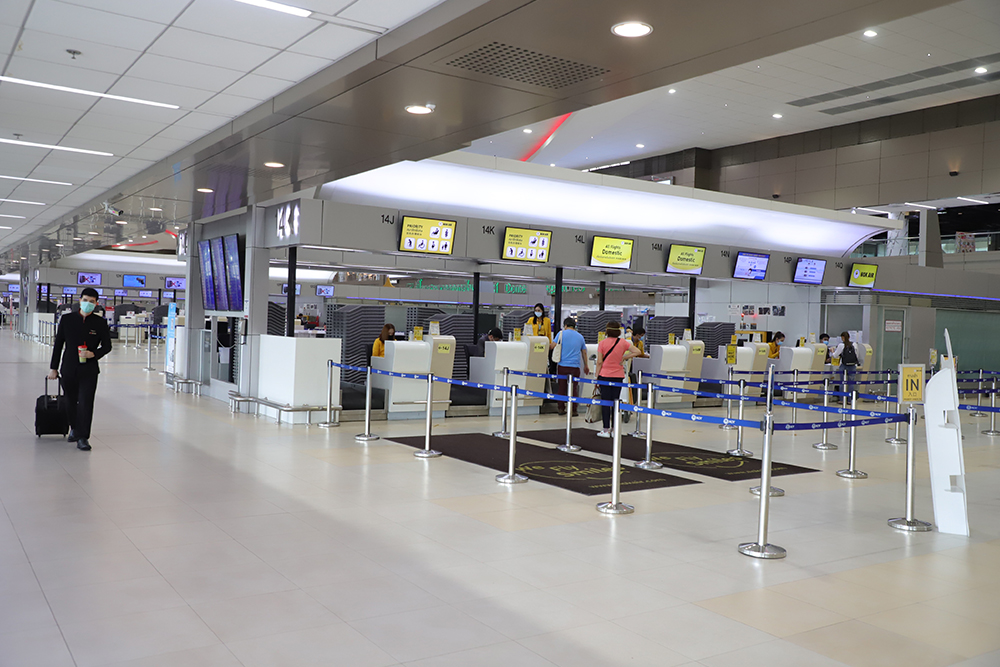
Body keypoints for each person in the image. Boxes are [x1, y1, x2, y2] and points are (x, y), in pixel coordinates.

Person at [47, 288, 112, 451]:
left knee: (86, 402)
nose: (88, 304)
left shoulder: (100, 323)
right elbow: (58, 344)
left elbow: (107, 346)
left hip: (89, 370)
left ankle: (83, 437)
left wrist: (93, 354)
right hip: (69, 367)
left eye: (92, 301)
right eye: (85, 300)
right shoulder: (67, 319)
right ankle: (74, 429)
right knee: (70, 401)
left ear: (97, 304)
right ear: (80, 300)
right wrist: (53, 368)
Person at [594, 322, 641, 438]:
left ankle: (606, 429)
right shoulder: (623, 342)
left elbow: (599, 362)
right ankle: (615, 429)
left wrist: (596, 377)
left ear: (607, 330)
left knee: (605, 403)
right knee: (616, 402)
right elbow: (637, 352)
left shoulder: (602, 343)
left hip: (604, 376)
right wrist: (625, 357)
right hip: (618, 376)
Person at [551, 317, 589, 416]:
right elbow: (584, 352)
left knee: (562, 388)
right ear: (574, 326)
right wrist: (586, 366)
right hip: (575, 367)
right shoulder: (580, 336)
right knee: (574, 388)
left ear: (566, 325)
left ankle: (561, 408)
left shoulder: (561, 334)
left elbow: (552, 346)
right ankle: (574, 410)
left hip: (562, 366)